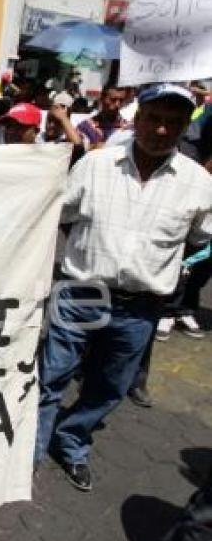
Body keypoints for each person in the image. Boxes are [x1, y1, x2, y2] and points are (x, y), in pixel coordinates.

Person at [34, 84, 212, 492]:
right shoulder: (96, 165)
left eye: (174, 122)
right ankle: (32, 450)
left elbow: (203, 239)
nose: (162, 130)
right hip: (80, 292)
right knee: (51, 376)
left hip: (140, 308)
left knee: (109, 387)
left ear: (186, 127)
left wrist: (176, 268)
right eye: (154, 118)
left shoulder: (198, 183)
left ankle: (72, 440)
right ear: (138, 118)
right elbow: (57, 212)